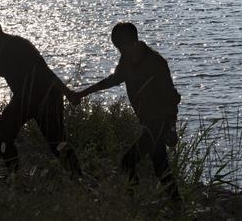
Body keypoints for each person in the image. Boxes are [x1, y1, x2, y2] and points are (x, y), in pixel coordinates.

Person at [73, 22, 181, 200]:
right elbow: (113, 79)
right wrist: (84, 93)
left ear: (134, 42)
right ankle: (176, 206)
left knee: (128, 162)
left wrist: (171, 127)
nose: (121, 52)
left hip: (158, 123)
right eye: (118, 48)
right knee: (161, 168)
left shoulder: (156, 63)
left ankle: (133, 201)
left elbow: (171, 97)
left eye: (122, 47)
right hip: (147, 122)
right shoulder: (127, 59)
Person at [0, 16, 81, 176]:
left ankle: (77, 176)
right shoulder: (3, 46)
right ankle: (14, 174)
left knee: (56, 142)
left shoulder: (16, 46)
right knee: (2, 132)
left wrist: (68, 93)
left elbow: (45, 71)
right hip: (26, 98)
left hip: (44, 98)